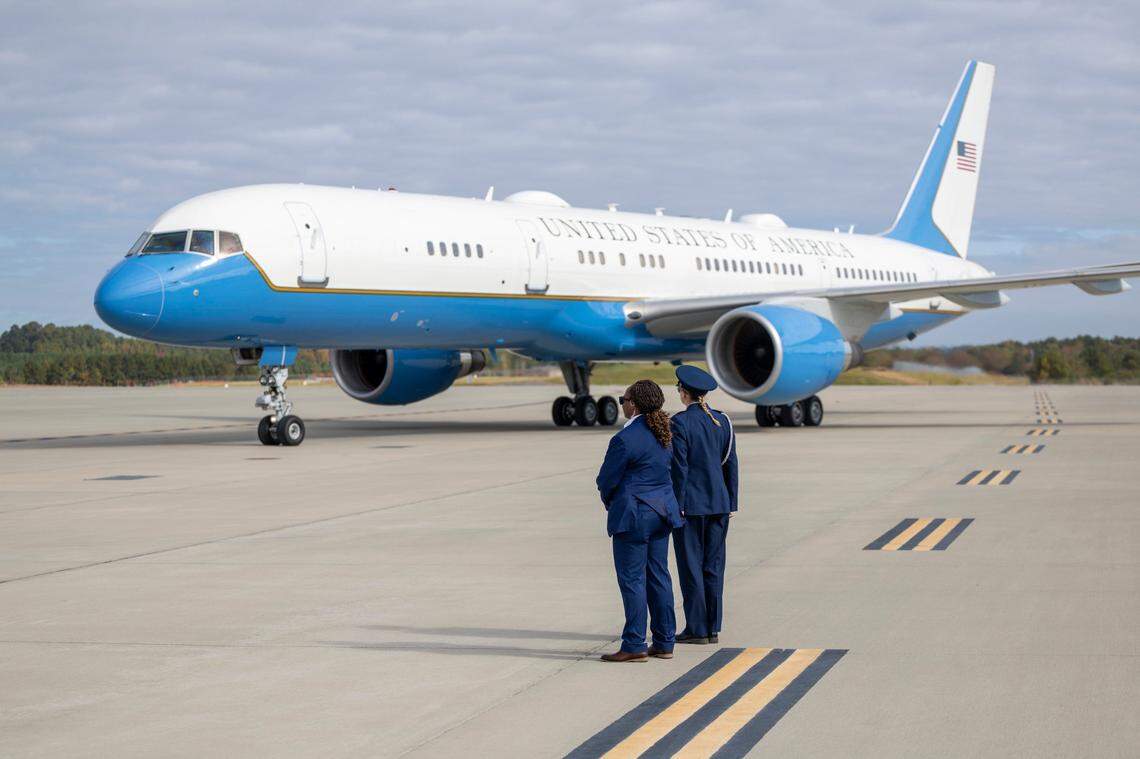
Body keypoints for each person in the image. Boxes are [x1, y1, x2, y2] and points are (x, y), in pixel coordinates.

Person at [595, 380, 684, 662]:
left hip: (634, 515)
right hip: (662, 512)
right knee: (659, 576)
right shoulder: (664, 432)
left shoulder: (625, 439)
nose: (622, 404)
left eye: (623, 399)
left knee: (633, 580)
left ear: (633, 404)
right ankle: (664, 640)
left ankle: (634, 644)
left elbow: (606, 480)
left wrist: (614, 502)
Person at [669, 365, 739, 645]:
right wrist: (731, 500)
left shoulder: (681, 423)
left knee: (691, 566)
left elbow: (679, 469)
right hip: (719, 504)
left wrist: (678, 504)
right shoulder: (723, 421)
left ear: (684, 393)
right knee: (714, 566)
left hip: (692, 507)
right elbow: (730, 464)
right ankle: (713, 627)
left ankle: (696, 628)